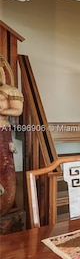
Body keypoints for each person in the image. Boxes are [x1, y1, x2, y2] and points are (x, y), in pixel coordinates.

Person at [0, 65, 24, 216]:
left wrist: (2, 110)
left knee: (4, 164)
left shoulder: (9, 90)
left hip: (1, 128)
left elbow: (17, 110)